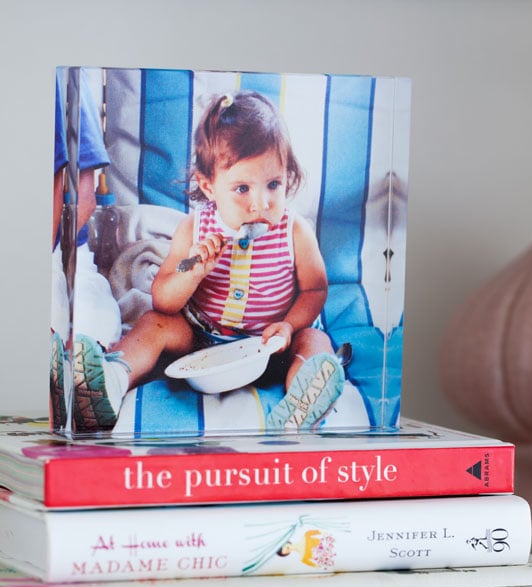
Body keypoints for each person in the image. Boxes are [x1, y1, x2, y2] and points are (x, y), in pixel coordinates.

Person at [73, 90, 346, 432]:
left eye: (273, 184)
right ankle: (108, 385)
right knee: (153, 324)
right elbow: (164, 300)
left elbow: (315, 290)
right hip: (203, 340)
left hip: (273, 344)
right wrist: (193, 271)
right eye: (242, 189)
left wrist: (290, 326)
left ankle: (303, 399)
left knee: (316, 341)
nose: (259, 203)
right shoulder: (195, 229)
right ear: (209, 185)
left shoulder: (294, 231)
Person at [51, 72, 122, 429]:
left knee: (86, 332)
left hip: (57, 256)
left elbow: (83, 192)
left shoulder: (62, 79)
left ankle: (92, 378)